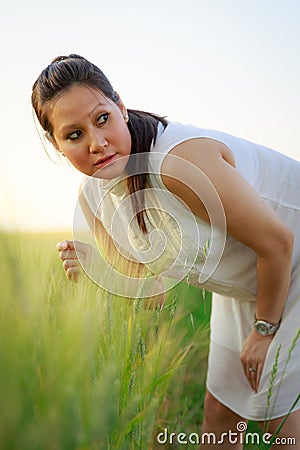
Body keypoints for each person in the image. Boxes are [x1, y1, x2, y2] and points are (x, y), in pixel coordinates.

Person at [32, 54, 300, 448]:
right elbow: (154, 293)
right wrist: (99, 272)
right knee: (221, 412)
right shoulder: (94, 196)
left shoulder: (178, 164)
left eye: (102, 118)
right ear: (56, 144)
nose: (97, 143)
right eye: (74, 135)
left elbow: (278, 243)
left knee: (281, 421)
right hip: (250, 282)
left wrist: (263, 330)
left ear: (121, 107)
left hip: (290, 263)